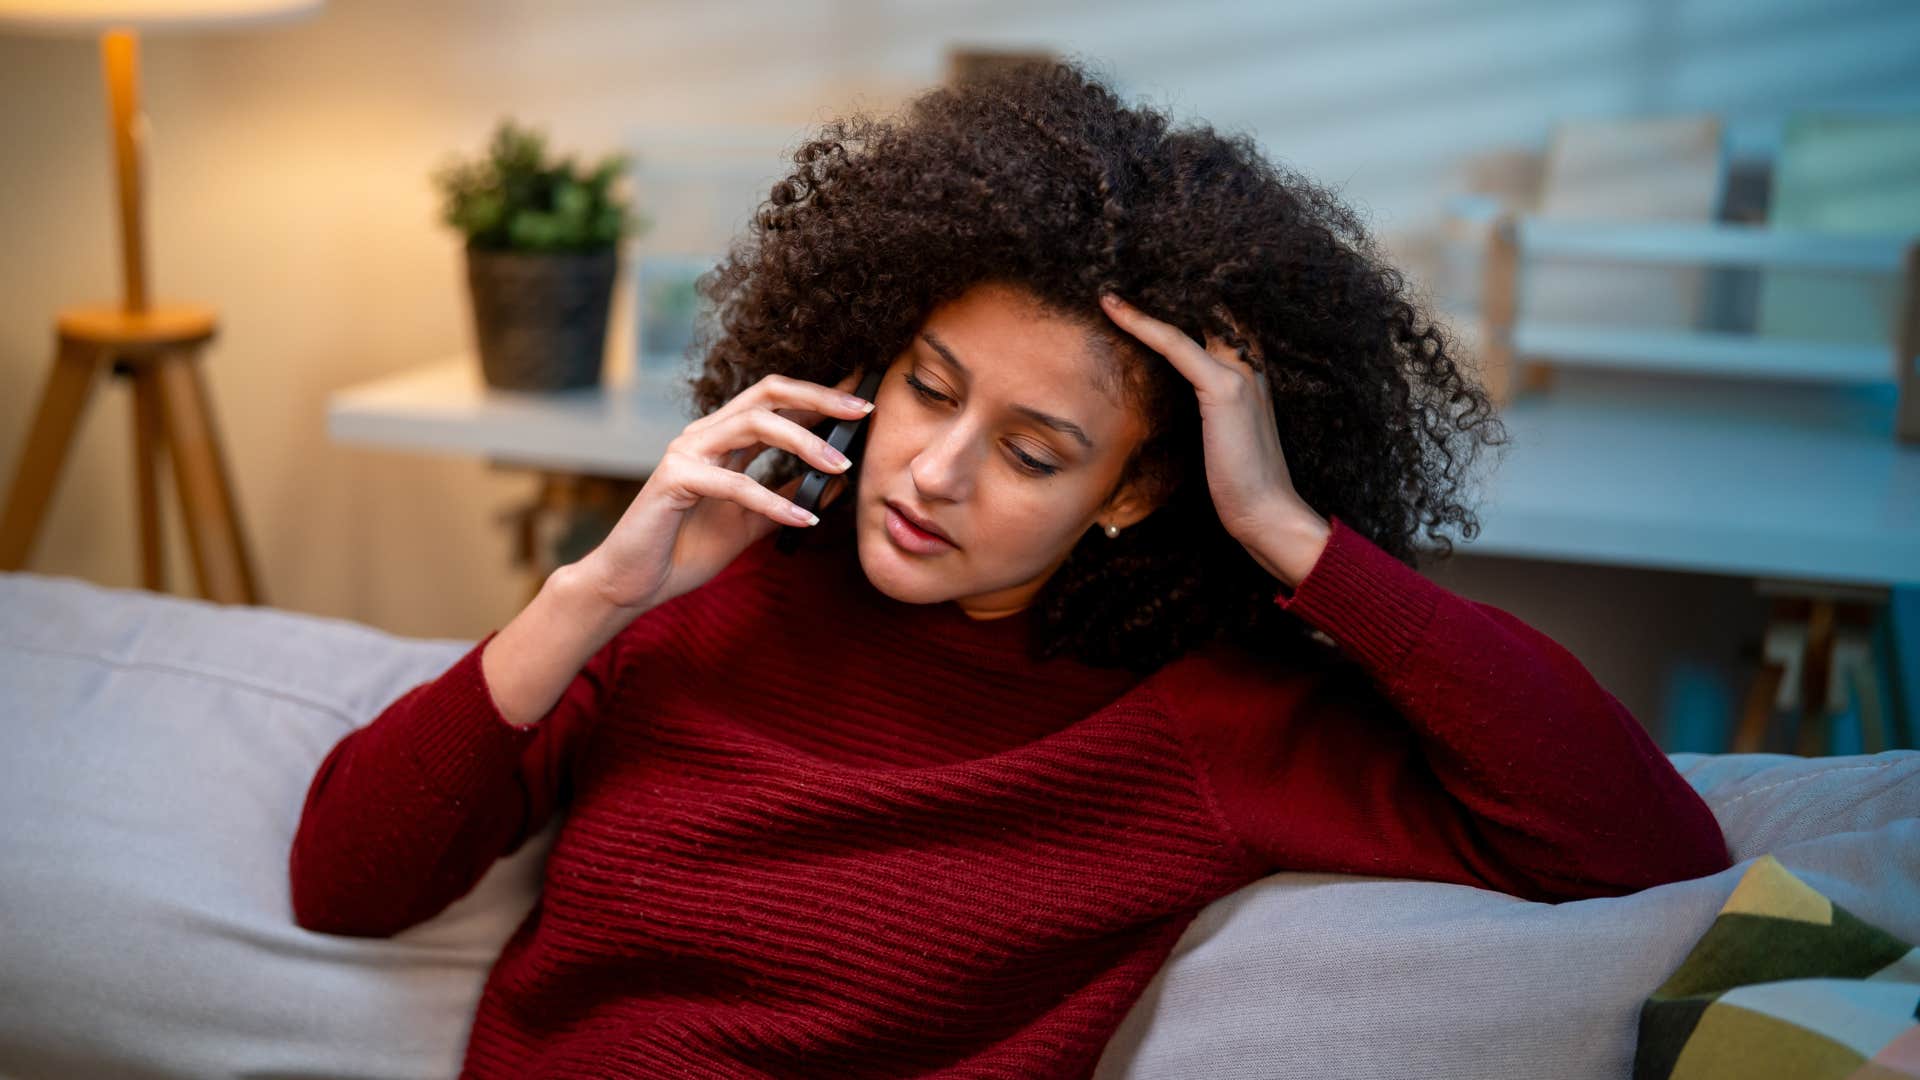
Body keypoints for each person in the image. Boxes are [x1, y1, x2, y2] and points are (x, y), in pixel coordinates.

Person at [289, 58, 1732, 1078]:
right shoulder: (691, 604)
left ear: (1134, 491)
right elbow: (345, 882)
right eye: (929, 387)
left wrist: (1291, 534)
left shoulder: (1199, 725)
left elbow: (1643, 848)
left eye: (1036, 452)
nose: (934, 471)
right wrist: (596, 591)